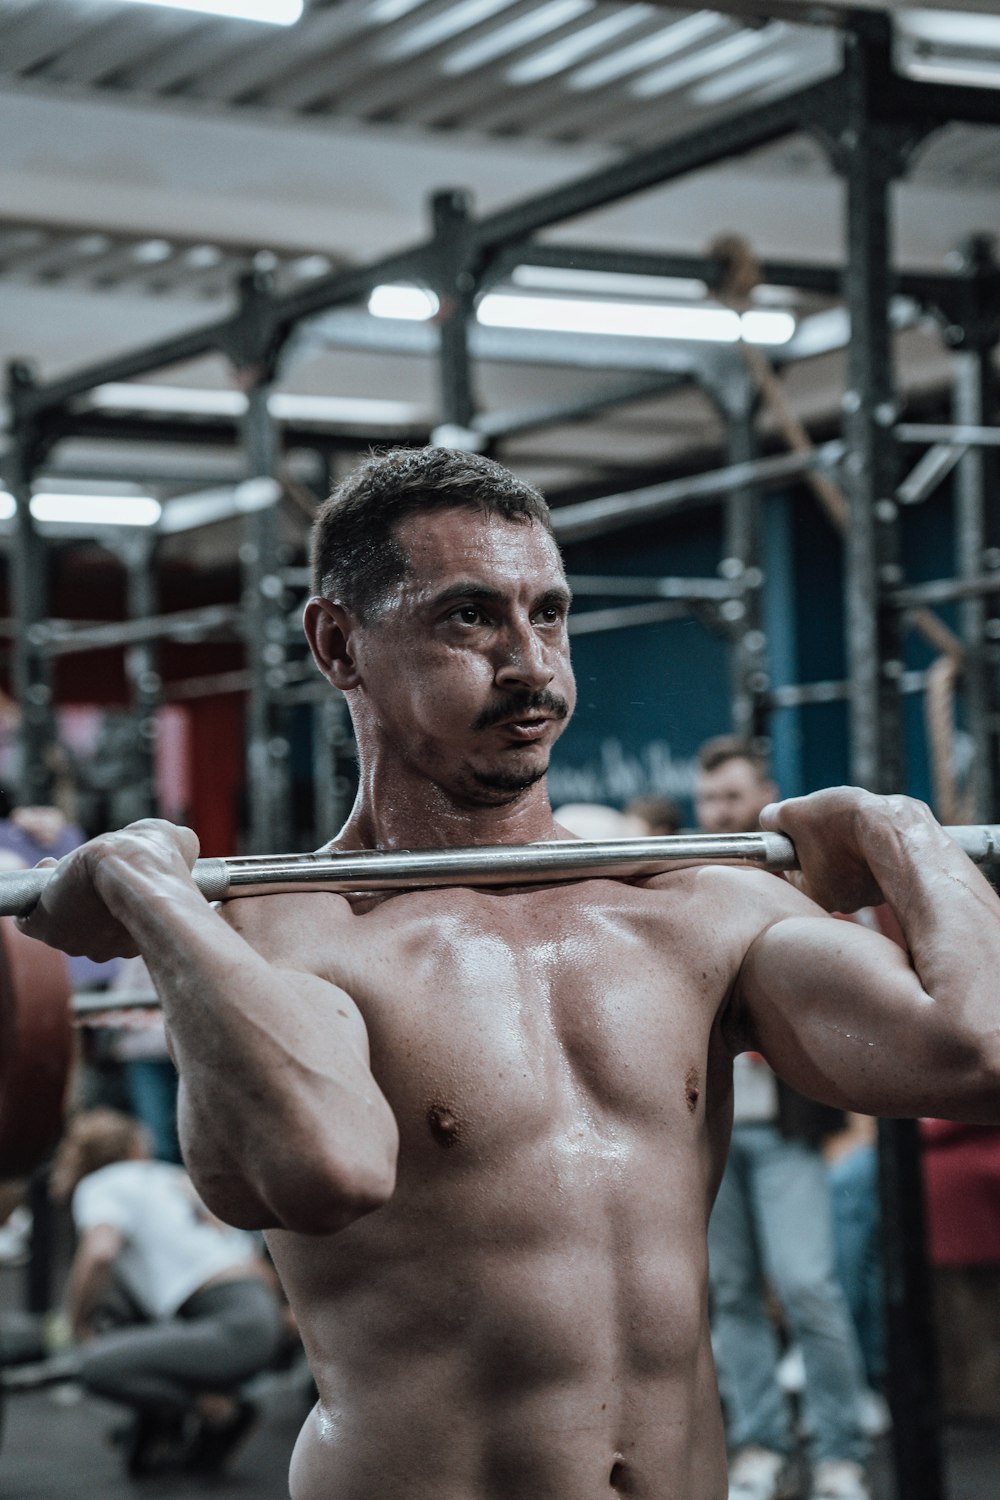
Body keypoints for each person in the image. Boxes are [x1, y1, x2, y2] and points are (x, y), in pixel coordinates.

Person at [17, 446, 1000, 1500]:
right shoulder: (284, 933)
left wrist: (896, 832)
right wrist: (155, 902)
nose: (533, 665)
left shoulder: (693, 906)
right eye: (470, 618)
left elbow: (974, 1050)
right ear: (339, 644)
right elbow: (320, 1171)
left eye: (551, 614)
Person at [696, 738, 872, 1500]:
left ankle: (840, 1452)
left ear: (763, 793)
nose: (719, 813)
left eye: (732, 797)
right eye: (709, 801)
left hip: (787, 1129)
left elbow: (859, 998)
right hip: (715, 1127)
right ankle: (760, 1444)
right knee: (729, 1294)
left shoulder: (800, 882)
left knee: (809, 1288)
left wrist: (858, 1128)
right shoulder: (690, 888)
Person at [51, 1107, 285, 1476]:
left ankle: (218, 1409)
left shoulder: (101, 1184)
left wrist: (77, 1323)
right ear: (135, 1146)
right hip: (254, 1313)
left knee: (93, 1366)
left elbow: (99, 1254)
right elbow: (250, 1261)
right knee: (133, 1327)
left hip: (227, 1323)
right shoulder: (172, 1179)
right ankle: (173, 1419)